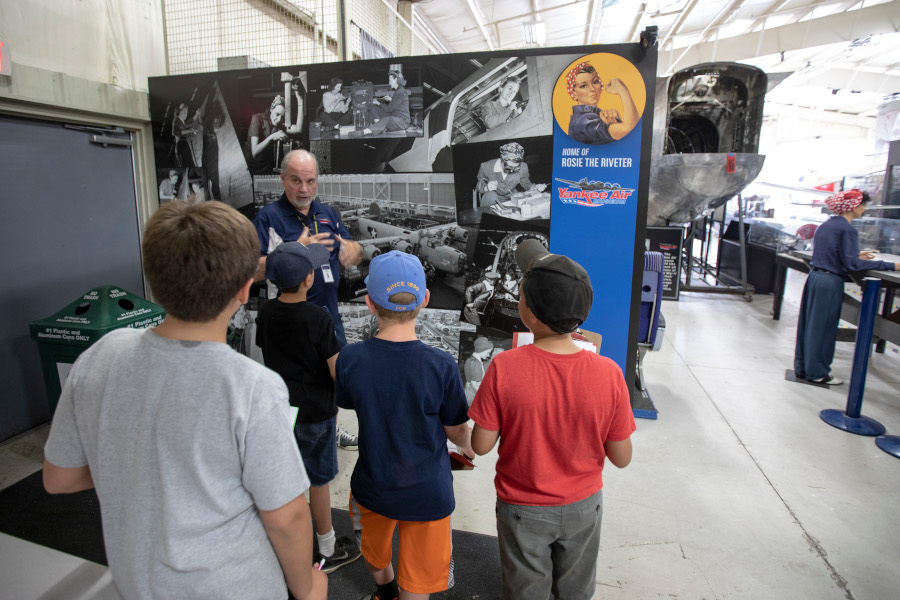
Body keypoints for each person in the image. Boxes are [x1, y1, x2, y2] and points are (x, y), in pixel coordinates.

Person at [42, 201, 327, 600]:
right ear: (245, 289)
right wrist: (306, 588)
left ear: (154, 280)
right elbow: (287, 516)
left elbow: (59, 477)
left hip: (138, 584)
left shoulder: (100, 356)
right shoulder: (251, 387)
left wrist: (147, 469)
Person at [469, 239, 636, 600]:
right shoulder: (609, 373)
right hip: (582, 507)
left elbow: (481, 446)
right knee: (575, 589)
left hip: (521, 509)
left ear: (526, 312)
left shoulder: (503, 367)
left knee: (526, 589)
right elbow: (622, 457)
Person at [335, 250, 473, 600]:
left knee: (374, 554)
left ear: (369, 303)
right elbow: (456, 430)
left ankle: (385, 590)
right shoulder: (441, 365)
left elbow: (350, 401)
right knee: (420, 583)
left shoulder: (351, 359)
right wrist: (470, 443)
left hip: (374, 485)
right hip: (429, 491)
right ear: (425, 299)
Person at [255, 241, 362, 573]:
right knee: (318, 480)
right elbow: (335, 369)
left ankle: (283, 541)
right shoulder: (319, 317)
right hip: (316, 412)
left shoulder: (266, 311)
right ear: (308, 280)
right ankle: (327, 547)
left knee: (286, 477)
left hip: (280, 410)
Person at [253, 149, 364, 449]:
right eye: (296, 180)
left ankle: (331, 429)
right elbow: (251, 269)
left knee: (331, 380)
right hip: (289, 320)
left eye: (310, 181)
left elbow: (351, 248)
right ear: (282, 180)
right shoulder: (268, 218)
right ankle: (286, 440)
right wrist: (293, 250)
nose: (304, 189)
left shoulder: (328, 213)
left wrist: (353, 251)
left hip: (328, 316)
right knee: (290, 384)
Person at [794, 189, 899, 385]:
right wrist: (892, 265)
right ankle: (818, 372)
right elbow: (852, 266)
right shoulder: (848, 229)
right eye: (863, 205)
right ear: (854, 206)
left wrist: (856, 254)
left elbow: (833, 253)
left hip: (815, 278)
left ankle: (802, 367)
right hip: (830, 282)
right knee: (824, 329)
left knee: (809, 326)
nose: (864, 209)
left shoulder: (827, 225)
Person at [565, 61, 640, 145]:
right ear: (574, 94)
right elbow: (630, 130)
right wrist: (623, 90)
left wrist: (616, 121)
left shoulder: (598, 114)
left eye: (595, 82)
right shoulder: (581, 122)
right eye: (583, 86)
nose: (592, 88)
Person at [474, 142, 547, 216]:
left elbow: (526, 184)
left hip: (512, 196)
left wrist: (535, 187)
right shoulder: (486, 166)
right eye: (509, 167)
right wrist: (487, 188)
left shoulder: (523, 167)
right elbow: (478, 187)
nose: (512, 170)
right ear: (502, 158)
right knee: (490, 195)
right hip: (492, 198)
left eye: (516, 168)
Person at [244, 91, 303, 174]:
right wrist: (272, 137)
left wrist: (300, 101)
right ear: (271, 109)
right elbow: (255, 152)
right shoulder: (257, 119)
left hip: (266, 167)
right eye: (277, 114)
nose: (279, 119)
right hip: (251, 168)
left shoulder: (279, 125)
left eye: (282, 117)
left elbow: (298, 129)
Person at [362, 70, 411, 137]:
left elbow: (389, 109)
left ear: (396, 79)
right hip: (396, 117)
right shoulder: (400, 90)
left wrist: (378, 103)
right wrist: (391, 99)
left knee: (387, 119)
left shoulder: (400, 91)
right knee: (373, 106)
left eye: (390, 80)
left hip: (402, 122)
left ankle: (365, 132)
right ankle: (378, 125)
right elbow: (398, 103)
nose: (389, 83)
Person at [463, 336, 493, 406]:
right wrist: (485, 396)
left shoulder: (470, 359)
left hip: (469, 391)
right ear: (482, 350)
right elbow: (474, 385)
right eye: (488, 352)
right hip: (473, 395)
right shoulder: (476, 363)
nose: (488, 355)